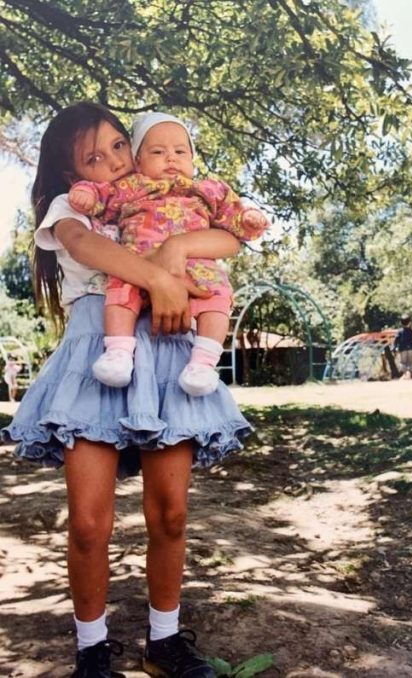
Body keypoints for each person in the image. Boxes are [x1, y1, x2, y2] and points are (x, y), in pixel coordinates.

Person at [1, 102, 251, 677]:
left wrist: (180, 248)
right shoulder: (74, 206)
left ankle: (163, 642)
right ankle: (92, 649)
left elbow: (230, 239)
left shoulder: (169, 195)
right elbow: (84, 246)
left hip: (164, 360)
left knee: (171, 514)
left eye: (120, 145)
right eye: (95, 156)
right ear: (71, 174)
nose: (114, 161)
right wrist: (160, 276)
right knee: (89, 523)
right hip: (99, 360)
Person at [69, 111, 268, 396]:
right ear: (139, 161)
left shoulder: (207, 189)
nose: (171, 158)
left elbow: (234, 214)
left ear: (192, 159)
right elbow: (102, 195)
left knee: (218, 297)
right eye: (158, 152)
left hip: (196, 267)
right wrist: (86, 195)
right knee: (119, 290)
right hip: (141, 262)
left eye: (180, 151)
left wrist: (249, 219)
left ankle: (203, 362)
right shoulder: (131, 186)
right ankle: (119, 353)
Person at [393, 314, 412, 379]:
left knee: (403, 362)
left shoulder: (400, 331)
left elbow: (396, 340)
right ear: (409, 322)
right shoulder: (411, 331)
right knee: (410, 362)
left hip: (402, 349)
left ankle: (404, 374)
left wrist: (394, 347)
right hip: (410, 349)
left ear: (401, 322)